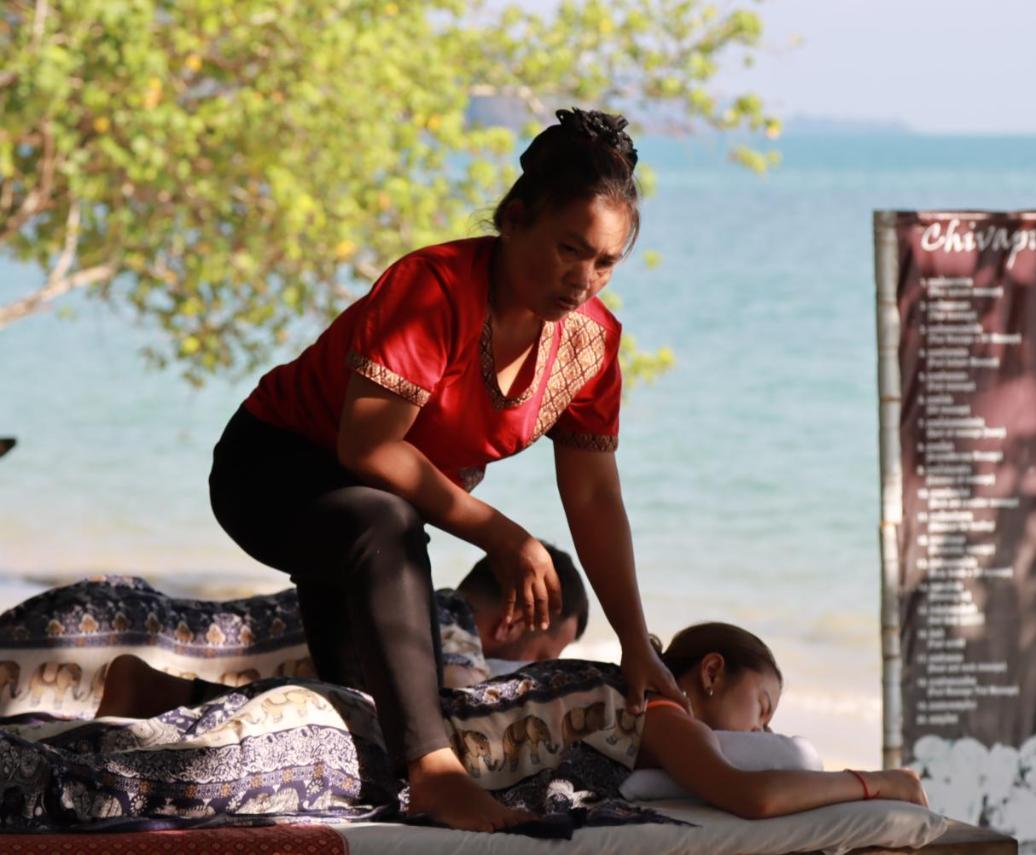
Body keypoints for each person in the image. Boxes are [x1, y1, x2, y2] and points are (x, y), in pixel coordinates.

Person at [205, 106, 685, 831]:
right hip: (273, 469)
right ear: (513, 219)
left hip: (374, 516)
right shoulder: (433, 289)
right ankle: (436, 777)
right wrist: (505, 536)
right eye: (568, 248)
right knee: (387, 528)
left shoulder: (592, 344)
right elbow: (368, 447)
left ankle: (150, 689)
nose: (583, 278)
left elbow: (593, 496)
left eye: (606, 262)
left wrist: (633, 638)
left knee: (361, 719)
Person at [93, 622, 928, 824]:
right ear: (710, 673)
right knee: (113, 779)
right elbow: (744, 794)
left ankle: (148, 683)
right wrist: (876, 781)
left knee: (162, 758)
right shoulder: (659, 704)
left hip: (361, 728)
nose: (760, 726)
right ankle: (141, 691)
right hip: (353, 743)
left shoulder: (613, 692)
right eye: (762, 708)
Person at [441, 540, 590, 688]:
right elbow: (458, 688)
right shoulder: (454, 640)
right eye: (542, 660)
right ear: (509, 627)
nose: (540, 672)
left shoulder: (428, 606)